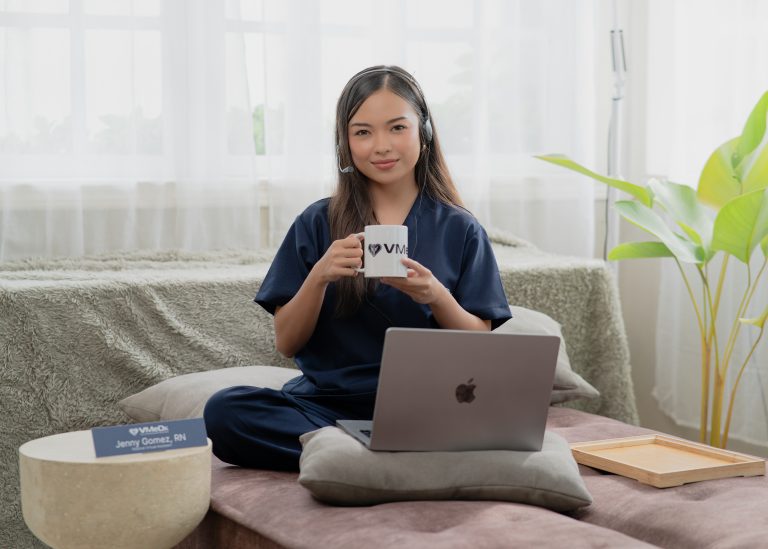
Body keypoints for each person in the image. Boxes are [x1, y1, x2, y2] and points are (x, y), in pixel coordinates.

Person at [204, 65, 511, 471]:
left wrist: (436, 296)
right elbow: (287, 343)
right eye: (363, 132)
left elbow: (480, 347)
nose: (381, 146)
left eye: (397, 128)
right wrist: (319, 277)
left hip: (425, 406)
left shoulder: (460, 228)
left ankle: (351, 458)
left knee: (488, 418)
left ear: (425, 132)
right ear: (345, 144)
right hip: (325, 407)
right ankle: (376, 456)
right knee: (227, 410)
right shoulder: (316, 222)